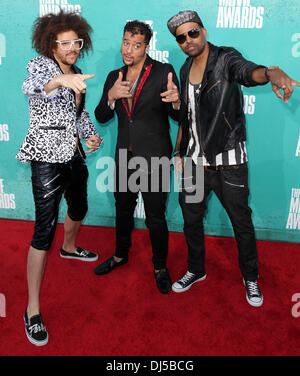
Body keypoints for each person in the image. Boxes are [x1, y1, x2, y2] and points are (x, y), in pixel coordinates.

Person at [167, 10, 300, 307]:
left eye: (193, 33)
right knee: (191, 221)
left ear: (203, 30)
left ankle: (250, 277)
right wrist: (179, 151)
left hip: (230, 162)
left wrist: (271, 73)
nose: (188, 40)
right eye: (181, 37)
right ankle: (196, 269)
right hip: (194, 163)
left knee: (241, 223)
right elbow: (186, 119)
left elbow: (248, 72)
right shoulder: (185, 69)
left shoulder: (226, 58)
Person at [16, 10, 102, 346]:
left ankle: (69, 247)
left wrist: (91, 136)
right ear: (51, 44)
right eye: (64, 42)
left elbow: (78, 116)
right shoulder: (40, 66)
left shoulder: (79, 72)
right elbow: (32, 88)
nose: (71, 48)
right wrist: (58, 81)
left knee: (79, 207)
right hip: (46, 158)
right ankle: (31, 310)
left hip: (74, 155)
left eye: (75, 42)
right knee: (43, 229)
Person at [94, 20, 180, 294]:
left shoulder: (163, 72)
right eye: (125, 42)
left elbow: (178, 115)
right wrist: (110, 96)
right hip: (124, 157)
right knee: (122, 209)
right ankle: (120, 254)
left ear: (146, 47)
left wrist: (177, 102)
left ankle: (160, 266)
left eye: (136, 45)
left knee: (155, 216)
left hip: (154, 157)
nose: (128, 49)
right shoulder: (114, 75)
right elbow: (101, 115)